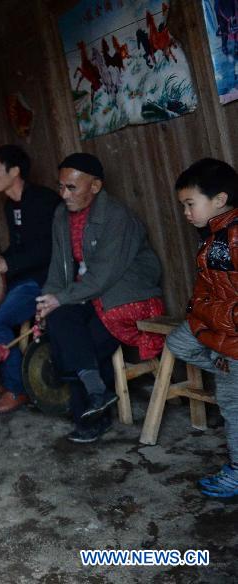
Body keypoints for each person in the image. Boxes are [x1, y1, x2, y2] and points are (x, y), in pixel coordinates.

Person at [37, 153, 164, 443]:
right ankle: (97, 394)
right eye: (61, 187)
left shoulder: (116, 216)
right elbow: (58, 268)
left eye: (71, 188)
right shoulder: (61, 215)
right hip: (89, 294)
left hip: (124, 295)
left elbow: (103, 277)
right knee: (58, 319)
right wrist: (47, 301)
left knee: (83, 342)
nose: (63, 194)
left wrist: (62, 298)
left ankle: (91, 417)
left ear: (95, 186)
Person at [166, 158, 238, 498]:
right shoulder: (214, 237)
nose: (186, 212)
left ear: (220, 200)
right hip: (217, 334)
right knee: (179, 342)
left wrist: (214, 319)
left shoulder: (232, 238)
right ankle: (226, 367)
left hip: (231, 336)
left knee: (232, 406)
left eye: (190, 204)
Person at [0, 145, 59, 414]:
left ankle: (17, 389)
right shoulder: (11, 205)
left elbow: (49, 250)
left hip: (47, 279)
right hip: (25, 276)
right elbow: (19, 247)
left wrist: (9, 263)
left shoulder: (43, 201)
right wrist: (0, 259)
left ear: (15, 171)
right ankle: (16, 374)